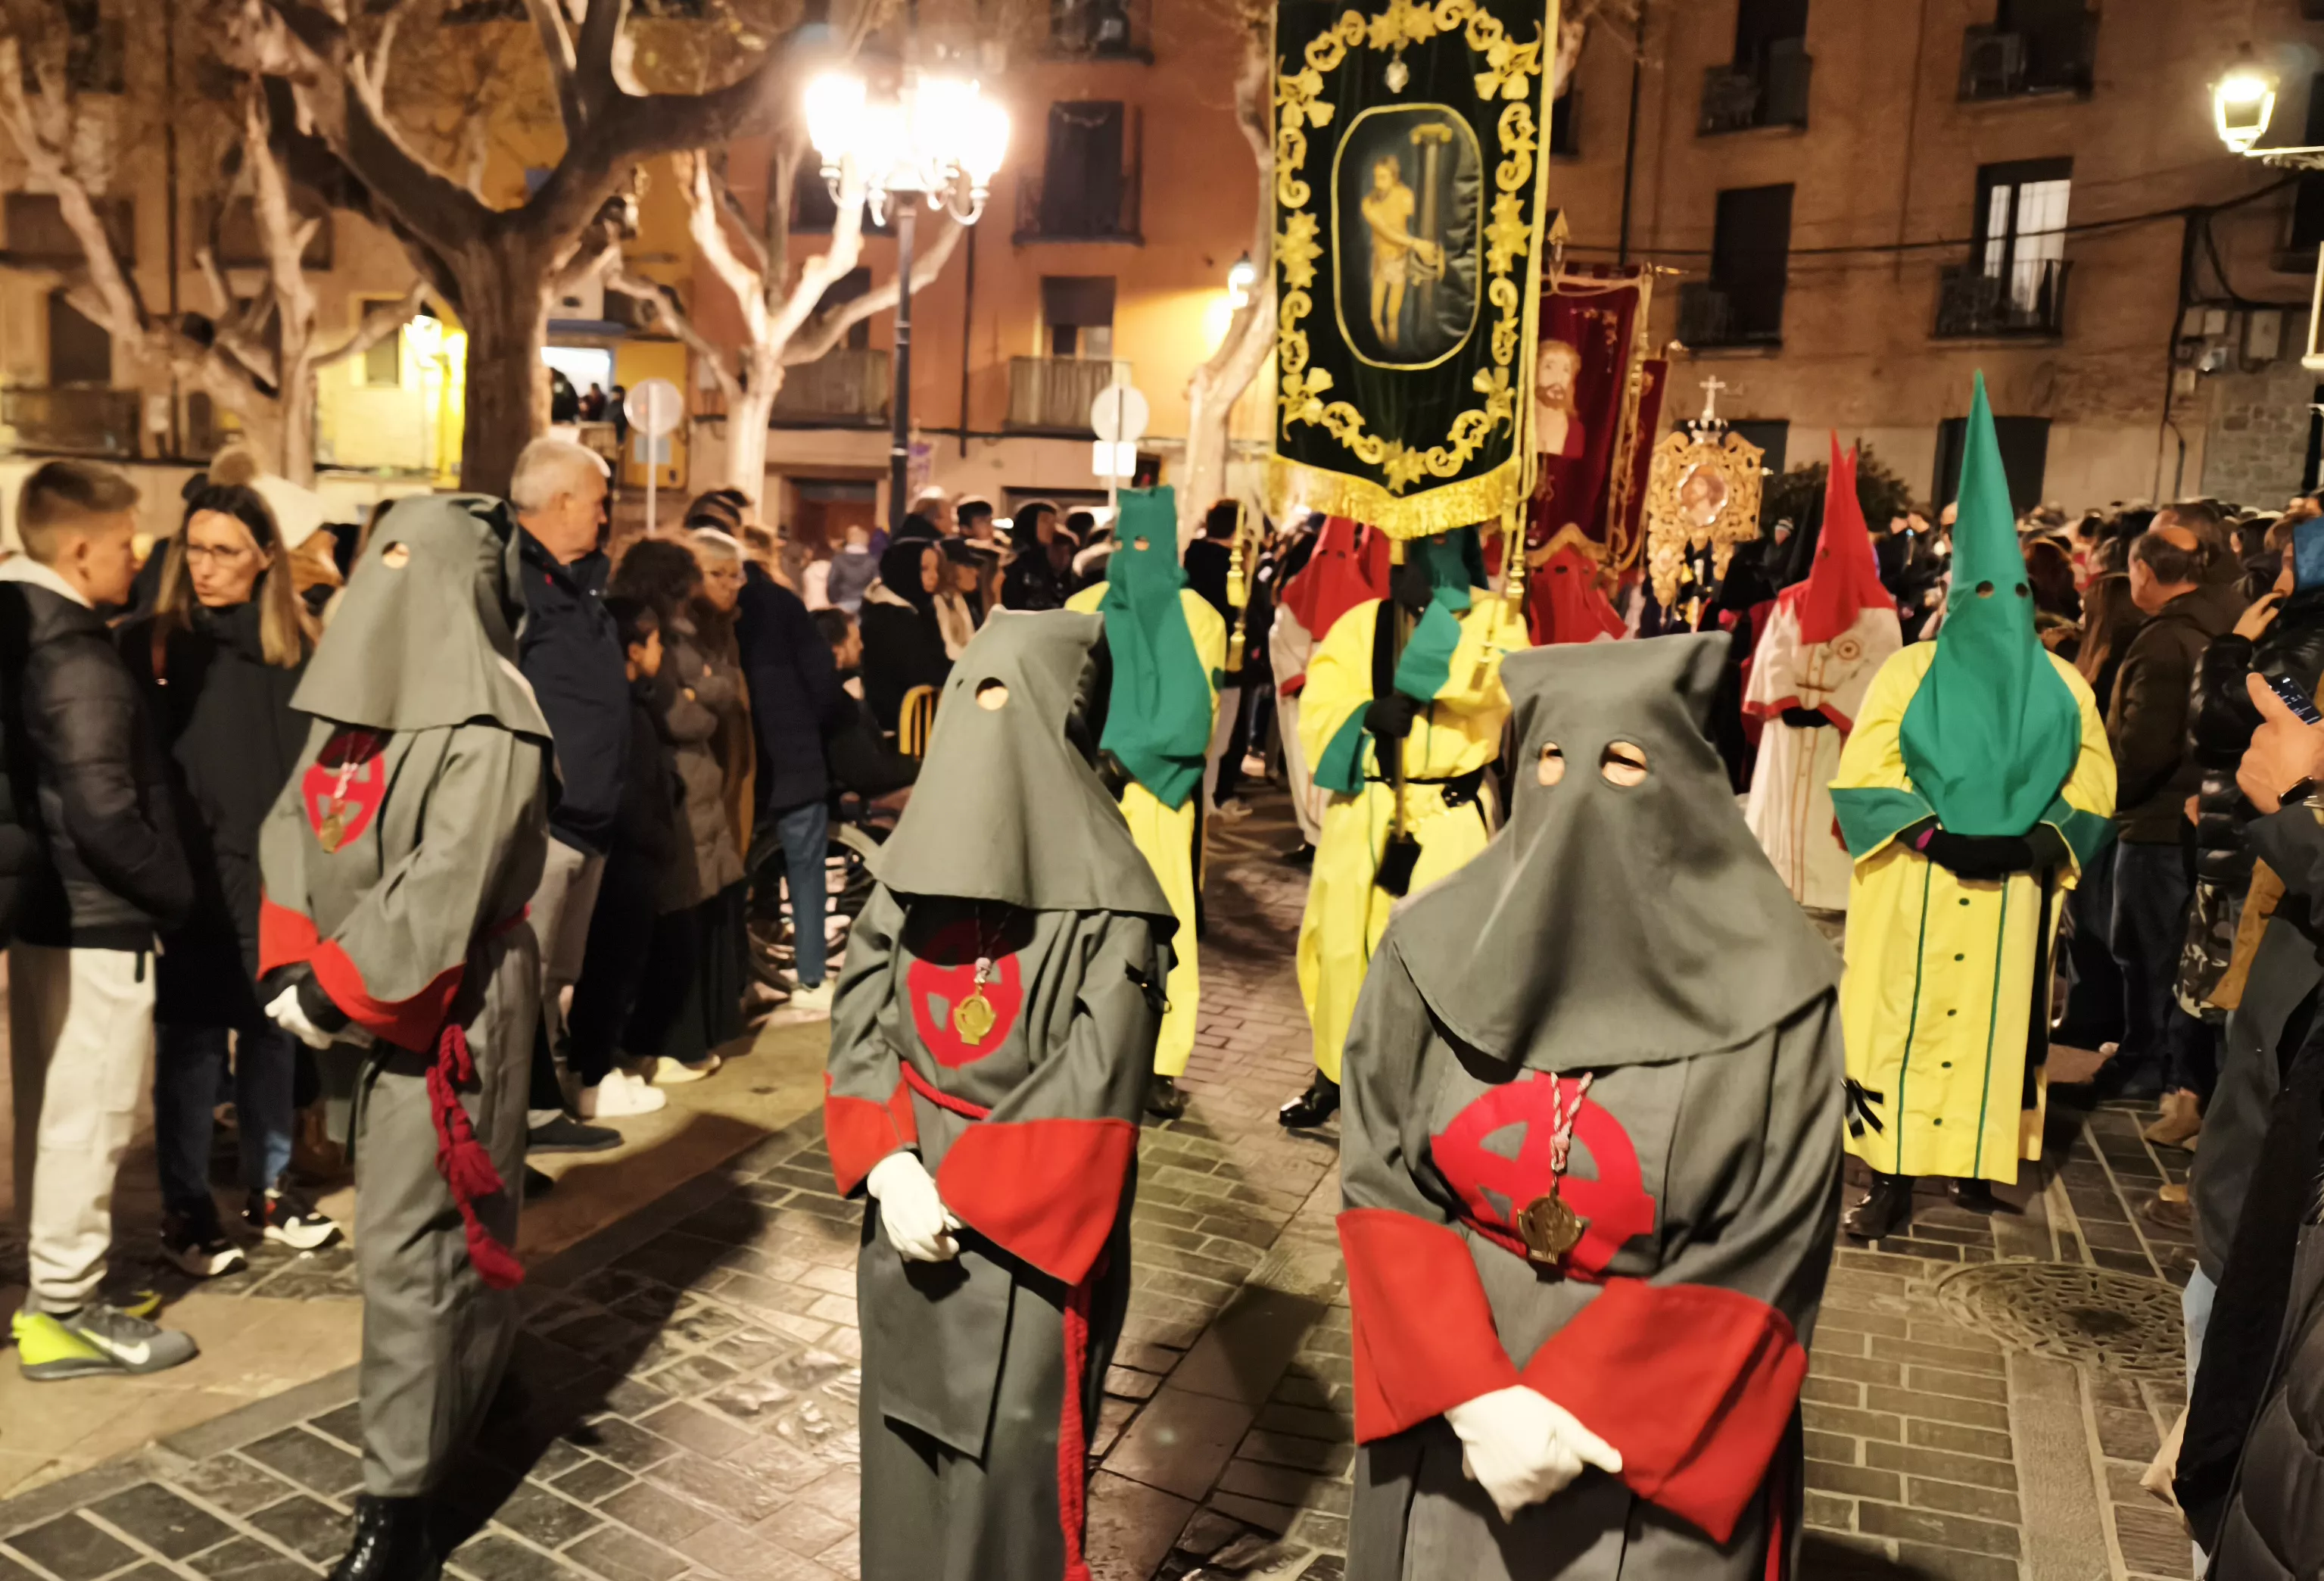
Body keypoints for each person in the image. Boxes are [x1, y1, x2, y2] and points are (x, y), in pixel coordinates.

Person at [1335, 635, 1841, 1581]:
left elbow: (1775, 1233)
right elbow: (1375, 1160)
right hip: (1453, 1402)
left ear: (1689, 776)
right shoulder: (1427, 947)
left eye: (1622, 762)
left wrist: (1577, 1410)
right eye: (1552, 760)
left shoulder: (1779, 989)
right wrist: (1471, 1392)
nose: (1577, 797)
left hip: (1655, 1427)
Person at [825, 610, 1174, 1581]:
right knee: (898, 1448)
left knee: (1007, 1476)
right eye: (970, 696)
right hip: (906, 1205)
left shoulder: (1116, 907)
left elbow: (1096, 1080)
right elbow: (859, 1014)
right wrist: (890, 1163)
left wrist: (965, 1191)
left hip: (1027, 1235)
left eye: (1006, 701)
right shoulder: (910, 873)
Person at [255, 494, 551, 1581]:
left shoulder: (496, 723)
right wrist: (294, 958)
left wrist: (333, 988)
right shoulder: (359, 707)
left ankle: (402, 1502)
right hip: (356, 994)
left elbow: (446, 887)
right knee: (416, 1231)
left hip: (445, 1002)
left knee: (415, 1245)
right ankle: (464, 1386)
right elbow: (295, 818)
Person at [1830, 378, 2116, 1241]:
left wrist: (2033, 844)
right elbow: (1865, 769)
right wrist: (1929, 833)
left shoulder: (2064, 687)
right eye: (1984, 596)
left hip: (2011, 902)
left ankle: (1977, 1163)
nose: (2000, 614)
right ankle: (1886, 1173)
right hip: (1915, 888)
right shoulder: (1907, 675)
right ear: (1958, 597)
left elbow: (2092, 787)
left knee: (1996, 1037)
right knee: (1899, 1030)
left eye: (2015, 597)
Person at [2, 461, 197, 1380]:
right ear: (79, 549)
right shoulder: (73, 652)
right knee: (92, 1115)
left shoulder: (20, 627)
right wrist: (173, 890)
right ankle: (66, 1311)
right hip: (96, 914)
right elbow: (103, 810)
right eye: (127, 542)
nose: (139, 557)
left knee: (53, 1112)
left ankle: (54, 1282)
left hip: (46, 910)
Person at [122, 462, 336, 1280]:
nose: (206, 565)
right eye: (196, 549)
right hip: (189, 881)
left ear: (264, 559)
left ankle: (270, 1187)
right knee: (187, 1049)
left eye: (226, 551)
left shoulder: (297, 647)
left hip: (276, 881)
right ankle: (185, 1209)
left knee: (272, 1037)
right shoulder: (153, 644)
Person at [1282, 527, 1528, 1127]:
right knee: (1338, 946)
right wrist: (1366, 715)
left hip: (1446, 815)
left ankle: (1425, 1087)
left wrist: (1434, 617)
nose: (1428, 552)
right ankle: (1333, 1074)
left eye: (1443, 538)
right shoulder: (1361, 622)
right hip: (1363, 805)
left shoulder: (1496, 619)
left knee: (1437, 954)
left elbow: (1489, 687)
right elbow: (1319, 707)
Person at [1067, 487, 1225, 1120]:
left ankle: (1159, 1063)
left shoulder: (1198, 616)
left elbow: (1197, 713)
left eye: (1149, 541)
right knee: (1082, 926)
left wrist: (1125, 763)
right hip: (1082, 795)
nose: (1137, 553)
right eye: (1127, 539)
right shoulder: (1083, 604)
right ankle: (1078, 1044)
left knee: (1164, 931)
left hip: (1157, 798)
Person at [507, 438, 628, 1153]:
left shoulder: (574, 584)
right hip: (545, 822)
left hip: (589, 819)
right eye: (598, 501)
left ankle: (543, 1104)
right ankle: (521, 1115)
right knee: (525, 975)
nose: (605, 516)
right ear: (560, 503)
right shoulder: (514, 582)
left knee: (555, 977)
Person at [2099, 525, 2237, 1101]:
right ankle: (2163, 1064)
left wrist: (2106, 794)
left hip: (2155, 821)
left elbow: (2143, 746)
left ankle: (2144, 1062)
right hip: (2190, 816)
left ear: (2145, 573)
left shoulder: (2162, 642)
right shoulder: (2217, 622)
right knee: (2170, 951)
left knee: (2145, 950)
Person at [1742, 439, 1902, 912]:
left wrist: (1830, 711)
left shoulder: (1880, 614)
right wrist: (1789, 704)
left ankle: (1826, 890)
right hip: (1789, 736)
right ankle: (1776, 878)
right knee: (1780, 812)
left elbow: (1879, 672)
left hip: (1840, 740)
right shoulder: (1793, 599)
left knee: (1821, 820)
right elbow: (1773, 655)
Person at [562, 595, 685, 1116]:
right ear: (633, 649)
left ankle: (599, 1064)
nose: (662, 650)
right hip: (627, 856)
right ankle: (590, 1075)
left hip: (634, 853)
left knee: (616, 971)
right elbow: (634, 791)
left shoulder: (631, 701)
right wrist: (653, 840)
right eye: (655, 641)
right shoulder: (619, 709)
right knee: (607, 972)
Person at [736, 538, 849, 1015]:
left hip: (740, 761)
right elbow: (822, 679)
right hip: (795, 751)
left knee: (731, 875)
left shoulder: (705, 612)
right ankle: (809, 977)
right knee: (805, 868)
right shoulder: (781, 603)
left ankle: (737, 980)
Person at [1269, 516, 1391, 863]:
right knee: (1300, 763)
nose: (1332, 570)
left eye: (1340, 558)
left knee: (1333, 765)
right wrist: (1296, 678)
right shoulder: (1297, 592)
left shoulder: (1364, 604)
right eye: (1327, 557)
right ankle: (1311, 836)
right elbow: (1279, 637)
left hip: (1342, 705)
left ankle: (1333, 837)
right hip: (1301, 701)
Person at [813, 607, 917, 810]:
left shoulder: (840, 693)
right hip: (866, 796)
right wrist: (921, 766)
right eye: (854, 641)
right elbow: (866, 773)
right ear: (837, 652)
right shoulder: (835, 703)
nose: (862, 646)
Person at [857, 540, 952, 733]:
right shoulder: (889, 618)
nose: (934, 576)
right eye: (924, 569)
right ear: (905, 570)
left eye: (935, 569)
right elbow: (924, 670)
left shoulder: (917, 610)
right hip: (901, 729)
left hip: (917, 721)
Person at [1002, 500, 1071, 611]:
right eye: (1045, 521)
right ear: (1029, 522)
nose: (1051, 527)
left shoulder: (1049, 562)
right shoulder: (1014, 566)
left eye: (1053, 522)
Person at [825, 522, 879, 615]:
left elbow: (832, 582)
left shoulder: (838, 560)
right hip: (865, 604)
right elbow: (876, 583)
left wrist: (834, 600)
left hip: (843, 602)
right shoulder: (872, 561)